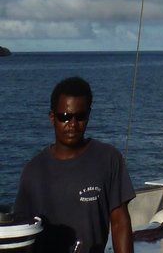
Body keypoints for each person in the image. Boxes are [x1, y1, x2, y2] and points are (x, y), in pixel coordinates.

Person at [14, 76, 135, 253]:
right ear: (52, 118)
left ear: (89, 115)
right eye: (64, 117)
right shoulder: (33, 171)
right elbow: (21, 233)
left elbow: (119, 223)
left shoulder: (109, 159)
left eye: (80, 116)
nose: (72, 124)